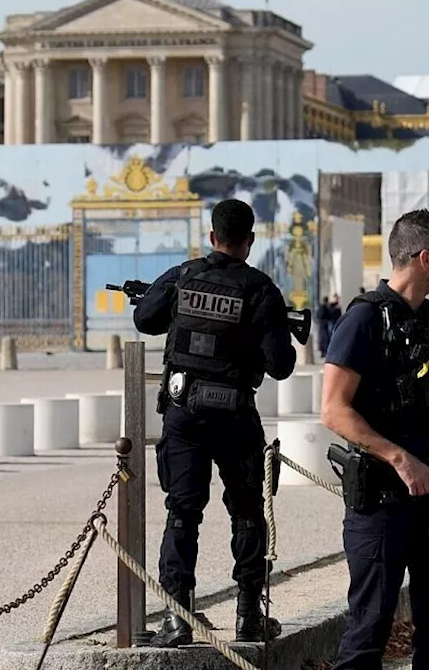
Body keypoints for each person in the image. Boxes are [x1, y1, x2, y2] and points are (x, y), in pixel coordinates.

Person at [132, 198, 295, 648]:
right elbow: (280, 365)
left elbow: (145, 318)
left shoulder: (185, 275)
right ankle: (248, 617)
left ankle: (177, 619)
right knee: (246, 513)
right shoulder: (261, 289)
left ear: (211, 236)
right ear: (251, 241)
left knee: (182, 513)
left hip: (185, 414)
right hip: (237, 417)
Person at [321, 209, 429, 670]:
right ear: (426, 257)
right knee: (369, 631)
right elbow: (334, 409)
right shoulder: (364, 320)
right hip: (383, 499)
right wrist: (399, 458)